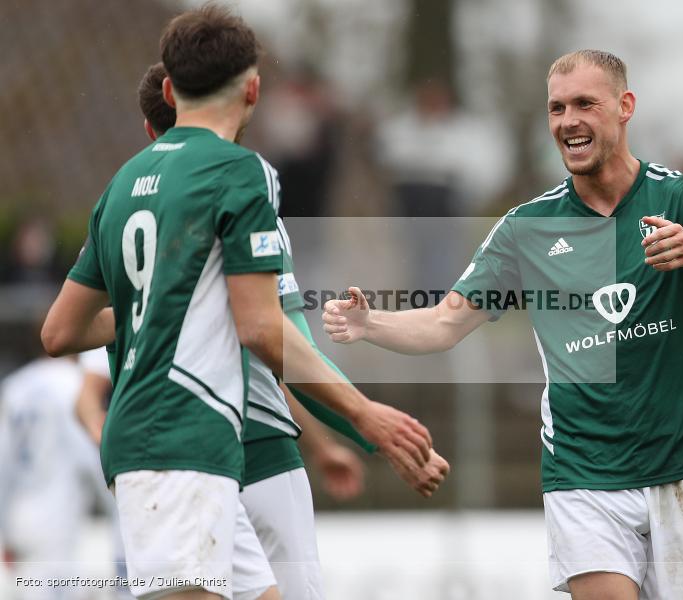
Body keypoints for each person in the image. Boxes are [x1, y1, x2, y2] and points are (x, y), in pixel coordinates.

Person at [322, 50, 683, 600]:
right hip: (583, 473)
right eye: (556, 108)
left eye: (584, 104)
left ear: (625, 107)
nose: (568, 121)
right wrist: (371, 323)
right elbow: (443, 323)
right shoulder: (526, 228)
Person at [40, 6, 443, 599]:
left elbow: (58, 333)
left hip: (168, 444)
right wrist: (363, 414)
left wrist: (153, 309)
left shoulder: (120, 184)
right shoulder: (241, 174)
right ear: (253, 90)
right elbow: (263, 329)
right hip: (184, 440)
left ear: (171, 90)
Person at [0, 355, 113, 600]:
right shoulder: (74, 384)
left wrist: (4, 530)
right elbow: (90, 456)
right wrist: (116, 506)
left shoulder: (16, 385)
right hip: (57, 513)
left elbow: (4, 461)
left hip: (19, 513)